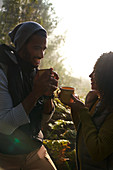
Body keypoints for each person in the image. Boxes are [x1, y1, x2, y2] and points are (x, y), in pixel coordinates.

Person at [0, 21, 59, 170]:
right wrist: (36, 92)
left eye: (43, 49)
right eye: (36, 48)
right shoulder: (3, 71)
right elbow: (5, 126)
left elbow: (44, 119)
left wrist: (48, 95)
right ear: (21, 45)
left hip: (35, 152)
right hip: (6, 158)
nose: (41, 55)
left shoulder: (34, 72)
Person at [61, 52, 113, 170]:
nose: (90, 75)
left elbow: (97, 151)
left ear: (106, 76)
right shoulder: (98, 101)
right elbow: (85, 132)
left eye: (95, 72)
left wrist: (83, 111)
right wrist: (75, 108)